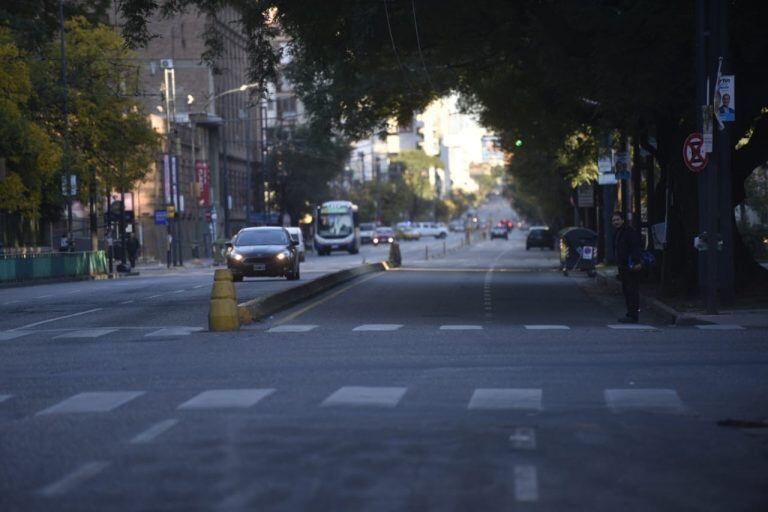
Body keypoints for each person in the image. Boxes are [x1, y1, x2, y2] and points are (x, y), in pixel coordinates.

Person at [612, 212, 643, 323]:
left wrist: (636, 262)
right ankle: (630, 313)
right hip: (623, 265)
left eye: (618, 219)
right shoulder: (618, 232)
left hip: (631, 266)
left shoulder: (629, 232)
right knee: (626, 290)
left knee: (632, 290)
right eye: (614, 220)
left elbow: (635, 247)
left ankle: (633, 315)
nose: (616, 222)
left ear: (623, 220)